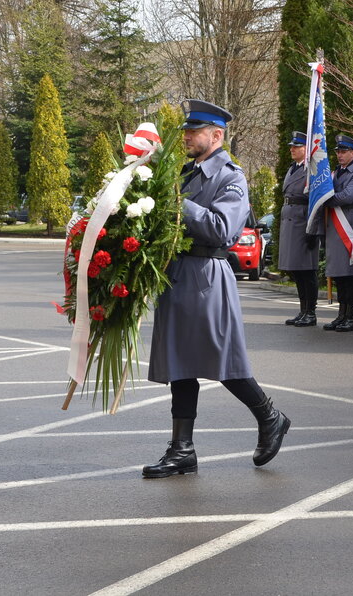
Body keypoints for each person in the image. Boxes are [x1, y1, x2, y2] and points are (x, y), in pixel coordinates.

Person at [144, 100, 290, 478]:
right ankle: (183, 449)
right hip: (177, 272)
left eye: (194, 131)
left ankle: (270, 416)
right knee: (180, 363)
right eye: (186, 131)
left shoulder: (230, 176)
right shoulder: (183, 172)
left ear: (216, 135)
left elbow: (222, 229)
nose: (187, 137)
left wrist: (179, 204)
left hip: (207, 274)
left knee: (222, 358)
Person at [322, 134, 353, 333]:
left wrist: (325, 199)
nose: (340, 155)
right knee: (340, 273)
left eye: (343, 152)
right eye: (338, 152)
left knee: (351, 274)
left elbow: (348, 196)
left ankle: (350, 316)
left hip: (351, 225)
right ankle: (341, 314)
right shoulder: (336, 173)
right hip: (336, 225)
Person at [278, 131, 321, 327]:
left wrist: (313, 229)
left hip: (303, 222)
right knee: (296, 269)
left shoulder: (311, 170)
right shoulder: (293, 169)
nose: (292, 149)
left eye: (297, 147)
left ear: (306, 149)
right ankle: (303, 309)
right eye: (292, 146)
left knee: (307, 271)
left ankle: (310, 312)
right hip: (291, 222)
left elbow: (317, 201)